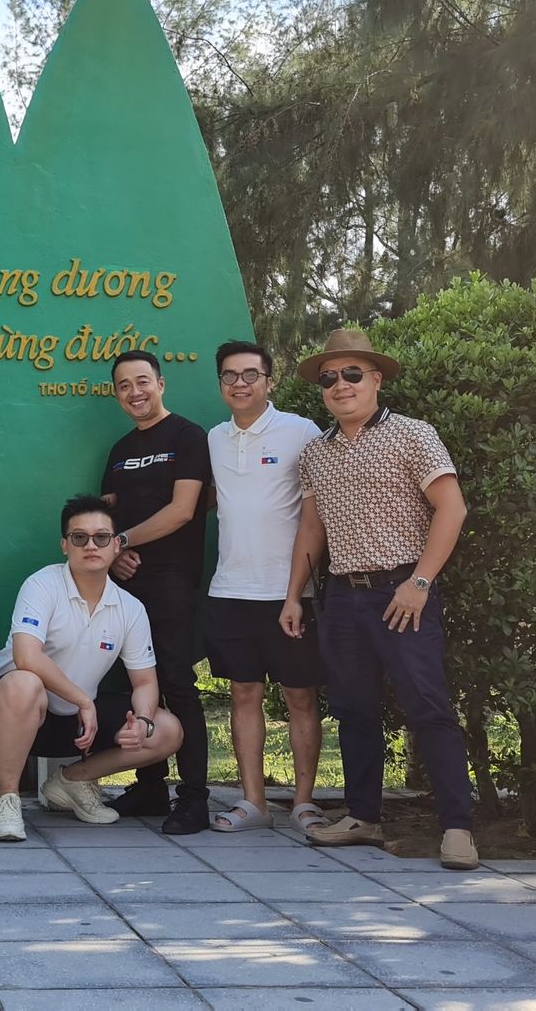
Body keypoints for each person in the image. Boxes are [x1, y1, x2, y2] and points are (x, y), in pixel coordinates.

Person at [280, 328, 478, 870]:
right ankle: (363, 817)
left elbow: (452, 508)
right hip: (342, 599)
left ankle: (457, 828)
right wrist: (294, 595)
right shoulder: (315, 453)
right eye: (329, 378)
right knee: (352, 710)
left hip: (403, 592)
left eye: (351, 374)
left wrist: (420, 582)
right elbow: (311, 530)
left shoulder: (413, 434)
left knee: (428, 707)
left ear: (376, 380)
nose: (340, 385)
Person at [0, 496, 184, 842]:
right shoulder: (42, 584)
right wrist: (83, 701)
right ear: (65, 545)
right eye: (79, 537)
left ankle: (72, 780)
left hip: (76, 724)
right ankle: (7, 801)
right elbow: (26, 656)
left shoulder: (130, 608)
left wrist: (142, 721)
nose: (91, 545)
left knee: (166, 730)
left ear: (116, 545)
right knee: (24, 683)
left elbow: (146, 682)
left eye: (101, 537)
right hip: (10, 711)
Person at [204, 341, 327, 834]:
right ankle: (254, 802)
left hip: (289, 594)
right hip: (230, 589)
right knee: (243, 693)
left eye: (250, 374)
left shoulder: (301, 431)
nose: (240, 383)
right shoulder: (215, 438)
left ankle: (304, 802)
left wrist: (296, 593)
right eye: (230, 376)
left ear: (269, 381)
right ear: (220, 384)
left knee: (300, 697)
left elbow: (315, 517)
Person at [100, 349, 215, 833]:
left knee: (176, 683)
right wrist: (113, 553)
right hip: (125, 584)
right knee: (133, 684)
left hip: (172, 581)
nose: (135, 392)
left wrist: (123, 541)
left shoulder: (188, 437)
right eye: (124, 385)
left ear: (161, 384)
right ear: (117, 394)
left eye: (142, 381)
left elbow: (183, 510)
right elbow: (106, 517)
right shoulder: (120, 449)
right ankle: (150, 786)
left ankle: (194, 798)